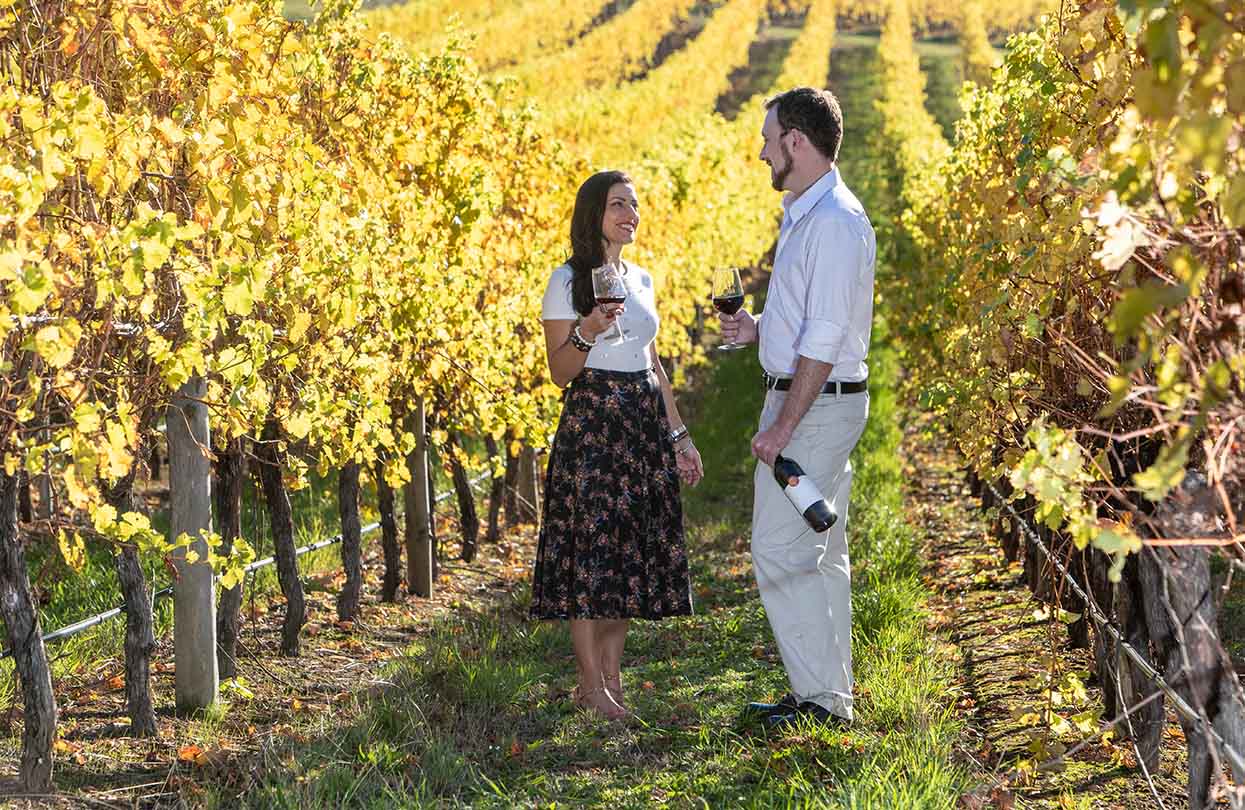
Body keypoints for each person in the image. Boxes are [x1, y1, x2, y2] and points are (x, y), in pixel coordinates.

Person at [719, 87, 876, 730]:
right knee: (821, 550)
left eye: (767, 139)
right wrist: (761, 331)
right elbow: (810, 323)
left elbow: (827, 338)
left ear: (796, 142)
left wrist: (782, 426)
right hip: (816, 398)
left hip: (811, 409)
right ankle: (829, 695)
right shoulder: (807, 213)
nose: (760, 152)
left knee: (780, 550)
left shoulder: (835, 221)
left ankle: (818, 702)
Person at [530, 169, 704, 722]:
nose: (631, 214)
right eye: (618, 205)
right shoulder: (566, 281)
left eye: (634, 205)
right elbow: (559, 371)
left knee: (628, 555)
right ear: (594, 216)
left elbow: (653, 362)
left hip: (641, 421)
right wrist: (587, 330)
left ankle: (610, 677)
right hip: (595, 421)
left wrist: (678, 434)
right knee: (591, 556)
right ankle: (589, 683)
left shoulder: (643, 279)